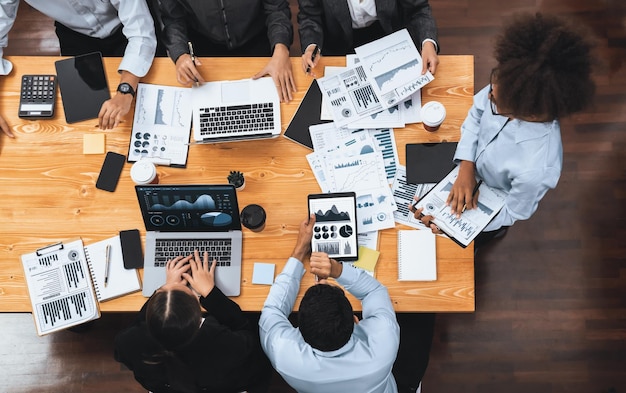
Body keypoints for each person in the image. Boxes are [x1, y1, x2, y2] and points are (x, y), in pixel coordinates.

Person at [411, 12, 595, 248]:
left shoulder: (538, 169)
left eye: (495, 103)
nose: (488, 95)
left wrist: (451, 223)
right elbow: (477, 112)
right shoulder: (510, 85)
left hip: (486, 210)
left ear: (527, 112)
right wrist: (466, 166)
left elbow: (512, 211)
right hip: (463, 170)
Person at [259, 214, 400, 392]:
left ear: (298, 330)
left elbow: (272, 310)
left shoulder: (283, 355)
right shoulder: (384, 343)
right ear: (356, 320)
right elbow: (374, 291)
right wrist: (337, 270)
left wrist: (300, 250)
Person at [114, 250, 272, 393]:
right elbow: (246, 331)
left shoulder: (128, 342)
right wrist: (211, 294)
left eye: (162, 291)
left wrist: (166, 288)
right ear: (197, 313)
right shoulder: (224, 342)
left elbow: (134, 329)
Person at [0, 1, 157, 130]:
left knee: (148, 102)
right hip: (75, 33)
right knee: (82, 116)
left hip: (126, 26)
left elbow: (141, 34)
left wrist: (125, 91)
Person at [155, 0, 296, 102]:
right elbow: (173, 18)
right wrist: (180, 54)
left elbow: (276, 9)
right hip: (204, 50)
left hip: (258, 41)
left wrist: (281, 48)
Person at [298, 0, 439, 76]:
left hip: (388, 33)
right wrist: (312, 45)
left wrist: (427, 42)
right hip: (338, 41)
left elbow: (418, 9)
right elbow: (309, 16)